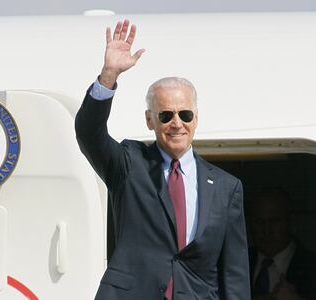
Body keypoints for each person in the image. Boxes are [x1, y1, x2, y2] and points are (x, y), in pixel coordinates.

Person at [75, 19, 250, 299]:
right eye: (166, 115)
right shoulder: (129, 164)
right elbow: (88, 133)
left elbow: (234, 272)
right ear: (149, 120)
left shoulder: (226, 187)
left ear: (196, 118)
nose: (176, 123)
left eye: (185, 114)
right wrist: (109, 75)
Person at [248, 189, 316, 300]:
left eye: (274, 221)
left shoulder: (312, 267)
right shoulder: (235, 264)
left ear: (291, 221)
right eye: (259, 222)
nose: (267, 230)